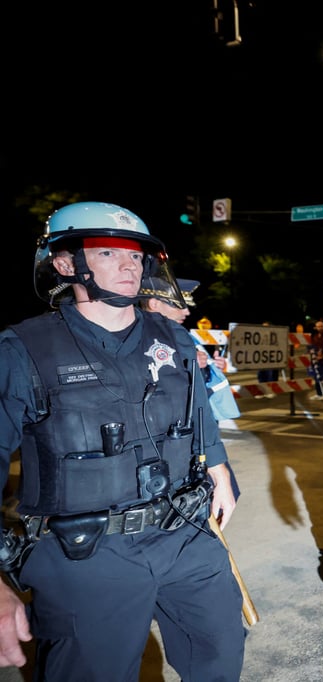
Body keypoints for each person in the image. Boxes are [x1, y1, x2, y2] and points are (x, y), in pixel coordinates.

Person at [0, 202, 245, 679]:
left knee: (220, 654)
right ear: (67, 264)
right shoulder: (22, 349)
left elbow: (197, 413)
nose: (130, 265)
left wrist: (218, 468)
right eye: (110, 252)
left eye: (136, 256)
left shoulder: (174, 339)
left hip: (185, 535)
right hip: (87, 555)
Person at [139, 276, 241, 422]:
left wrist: (211, 366)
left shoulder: (181, 334)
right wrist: (186, 364)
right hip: (162, 422)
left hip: (191, 419)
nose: (187, 312)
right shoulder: (138, 335)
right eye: (179, 305)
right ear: (154, 304)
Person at [307, 319, 323, 400]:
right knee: (316, 376)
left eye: (321, 326)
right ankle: (318, 393)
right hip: (315, 359)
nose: (320, 328)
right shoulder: (313, 336)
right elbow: (310, 346)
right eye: (318, 326)